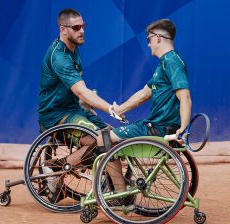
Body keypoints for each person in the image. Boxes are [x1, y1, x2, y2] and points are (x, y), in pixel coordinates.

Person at [97, 19, 192, 201]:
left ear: (158, 38)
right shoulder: (164, 64)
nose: (148, 44)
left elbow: (185, 97)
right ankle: (120, 184)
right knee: (111, 138)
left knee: (103, 138)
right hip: (153, 125)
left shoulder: (172, 62)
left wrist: (183, 129)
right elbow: (143, 94)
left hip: (158, 128)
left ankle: (120, 194)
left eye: (149, 39)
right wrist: (119, 110)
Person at [38, 8, 113, 202]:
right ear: (63, 29)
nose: (82, 31)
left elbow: (78, 92)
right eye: (76, 27)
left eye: (84, 26)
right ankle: (54, 168)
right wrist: (111, 108)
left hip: (73, 110)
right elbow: (80, 90)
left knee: (112, 136)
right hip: (55, 115)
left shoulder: (74, 49)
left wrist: (87, 104)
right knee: (97, 139)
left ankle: (115, 186)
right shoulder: (59, 56)